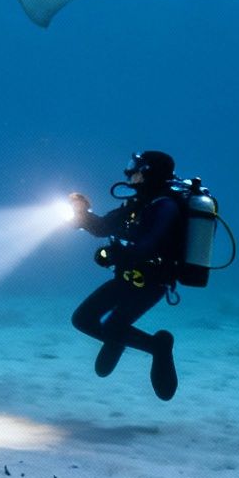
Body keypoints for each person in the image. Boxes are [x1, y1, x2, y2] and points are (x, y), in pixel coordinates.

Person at [68, 150, 186, 401]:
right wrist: (82, 214)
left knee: (113, 326)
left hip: (151, 283)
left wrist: (114, 254)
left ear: (148, 173)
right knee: (83, 319)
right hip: (125, 278)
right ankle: (118, 340)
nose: (129, 172)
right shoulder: (138, 203)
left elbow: (148, 246)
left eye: (135, 168)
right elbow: (103, 227)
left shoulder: (165, 206)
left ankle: (159, 346)